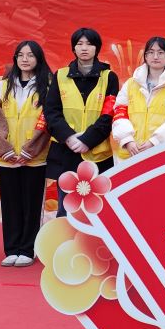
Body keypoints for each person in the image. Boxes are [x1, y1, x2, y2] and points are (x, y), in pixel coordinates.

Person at [43, 28, 118, 218]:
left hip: (98, 153)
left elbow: (109, 114)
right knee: (66, 209)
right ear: (73, 48)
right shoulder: (60, 75)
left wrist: (87, 140)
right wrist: (69, 137)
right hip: (66, 151)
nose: (84, 48)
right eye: (79, 44)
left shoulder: (109, 77)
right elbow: (51, 111)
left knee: (98, 211)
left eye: (89, 44)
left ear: (97, 48)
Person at [0, 40, 51, 268]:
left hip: (34, 158)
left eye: (30, 55)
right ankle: (12, 249)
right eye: (21, 55)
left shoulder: (48, 86)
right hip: (7, 158)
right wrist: (5, 149)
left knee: (32, 204)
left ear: (38, 59)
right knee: (10, 204)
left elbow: (47, 121)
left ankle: (28, 249)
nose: (25, 59)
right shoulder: (2, 87)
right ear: (15, 59)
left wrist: (29, 150)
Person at [111, 36, 165, 160]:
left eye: (160, 53)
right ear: (145, 57)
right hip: (130, 153)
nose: (155, 57)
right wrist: (127, 140)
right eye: (151, 52)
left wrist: (155, 141)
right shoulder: (131, 84)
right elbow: (119, 113)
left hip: (160, 153)